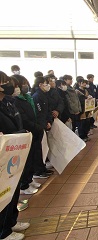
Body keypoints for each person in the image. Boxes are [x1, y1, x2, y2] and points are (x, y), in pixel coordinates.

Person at [0, 71, 30, 240]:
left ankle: (11, 222)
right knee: (3, 192)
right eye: (4, 82)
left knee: (13, 190)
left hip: (15, 152)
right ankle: (3, 232)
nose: (10, 86)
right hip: (3, 156)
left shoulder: (8, 103)